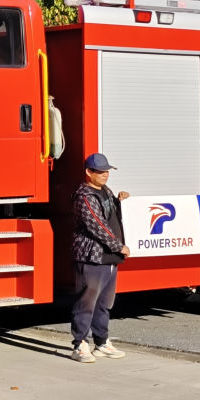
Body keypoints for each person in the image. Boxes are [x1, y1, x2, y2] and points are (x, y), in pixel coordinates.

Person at [69, 152, 131, 362]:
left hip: (108, 257)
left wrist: (121, 201)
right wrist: (119, 246)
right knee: (86, 302)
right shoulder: (84, 196)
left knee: (104, 302)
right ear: (89, 172)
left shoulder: (105, 190)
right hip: (91, 256)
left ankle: (102, 342)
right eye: (101, 171)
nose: (105, 175)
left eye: (107, 171)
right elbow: (97, 225)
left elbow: (111, 214)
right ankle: (80, 344)